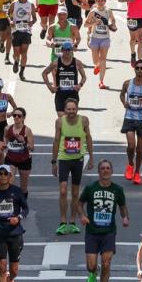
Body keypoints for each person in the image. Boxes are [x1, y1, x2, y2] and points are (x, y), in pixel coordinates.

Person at [78, 159, 129, 282]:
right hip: (92, 232)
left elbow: (122, 206)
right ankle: (93, 273)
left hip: (109, 232)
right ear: (98, 172)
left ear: (112, 171)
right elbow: (79, 203)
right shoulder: (91, 188)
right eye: (102, 168)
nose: (105, 170)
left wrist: (125, 217)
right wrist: (82, 216)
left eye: (107, 168)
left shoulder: (117, 189)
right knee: (91, 265)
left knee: (106, 263)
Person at [52, 98, 94, 235]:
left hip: (78, 160)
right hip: (64, 159)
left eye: (73, 109)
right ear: (65, 110)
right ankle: (63, 222)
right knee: (63, 191)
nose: (71, 111)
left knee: (75, 192)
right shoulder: (60, 122)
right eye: (68, 109)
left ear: (77, 109)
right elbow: (57, 140)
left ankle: (73, 221)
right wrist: (54, 162)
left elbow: (88, 138)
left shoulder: (84, 120)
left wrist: (91, 158)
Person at [0, 164, 29, 282]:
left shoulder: (17, 191)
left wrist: (18, 218)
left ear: (10, 176)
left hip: (15, 233)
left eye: (5, 174)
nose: (3, 176)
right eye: (0, 173)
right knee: (2, 267)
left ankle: (10, 280)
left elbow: (25, 209)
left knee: (14, 270)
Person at [43, 41, 88, 117]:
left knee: (71, 117)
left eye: (69, 49)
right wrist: (50, 87)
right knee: (62, 118)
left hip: (73, 94)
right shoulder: (56, 63)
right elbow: (44, 73)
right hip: (60, 94)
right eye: (65, 50)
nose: (67, 52)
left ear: (72, 50)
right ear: (62, 50)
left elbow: (84, 77)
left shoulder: (77, 63)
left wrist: (80, 85)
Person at [85, 0, 116, 88]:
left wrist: (112, 24)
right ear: (96, 2)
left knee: (103, 59)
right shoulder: (93, 12)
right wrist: (94, 23)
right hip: (95, 38)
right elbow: (85, 24)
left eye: (102, 0)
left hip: (105, 38)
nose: (100, 2)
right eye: (98, 1)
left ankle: (101, 81)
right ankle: (97, 66)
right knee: (96, 61)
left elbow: (113, 20)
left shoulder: (108, 11)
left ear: (105, 1)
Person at [3, 107, 34, 196]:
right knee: (9, 182)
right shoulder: (7, 128)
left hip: (24, 160)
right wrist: (5, 144)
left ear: (23, 118)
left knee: (23, 188)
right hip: (10, 159)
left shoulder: (27, 130)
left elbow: (32, 147)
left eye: (19, 116)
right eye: (14, 115)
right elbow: (5, 137)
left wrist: (23, 142)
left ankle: (23, 206)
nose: (16, 117)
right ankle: (12, 204)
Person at [10, 0, 37, 80]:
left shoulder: (31, 5)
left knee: (24, 52)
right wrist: (10, 21)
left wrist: (32, 22)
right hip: (16, 30)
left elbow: (35, 18)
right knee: (17, 52)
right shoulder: (14, 4)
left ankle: (22, 71)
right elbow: (8, 14)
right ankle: (16, 62)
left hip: (26, 31)